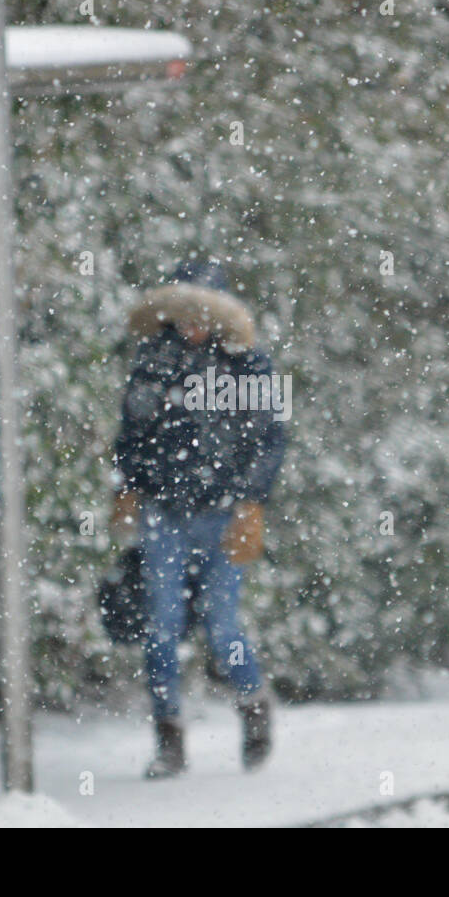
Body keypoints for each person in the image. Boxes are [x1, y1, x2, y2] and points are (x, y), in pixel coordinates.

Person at [112, 261, 286, 778]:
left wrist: (252, 502)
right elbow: (132, 429)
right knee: (159, 628)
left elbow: (270, 437)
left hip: (224, 511)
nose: (192, 323)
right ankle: (169, 740)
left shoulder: (248, 364)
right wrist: (127, 485)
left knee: (221, 624)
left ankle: (254, 707)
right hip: (163, 510)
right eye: (184, 313)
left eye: (202, 313)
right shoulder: (153, 361)